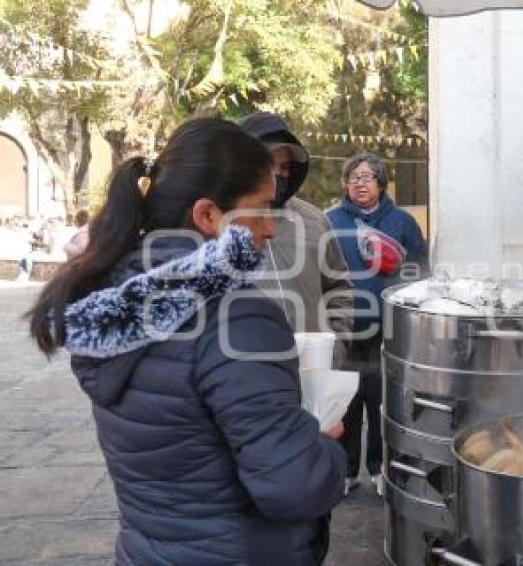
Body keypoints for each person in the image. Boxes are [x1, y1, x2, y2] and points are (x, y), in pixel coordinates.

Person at [28, 118, 346, 565]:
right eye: (262, 209)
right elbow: (292, 486)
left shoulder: (114, 296)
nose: (271, 229)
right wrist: (324, 450)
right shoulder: (237, 316)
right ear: (208, 216)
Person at [326, 152, 427, 495]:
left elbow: (420, 269)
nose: (359, 183)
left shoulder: (401, 222)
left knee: (384, 399)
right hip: (344, 325)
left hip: (389, 327)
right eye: (353, 177)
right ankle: (345, 471)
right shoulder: (331, 221)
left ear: (381, 183)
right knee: (345, 399)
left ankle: (381, 467)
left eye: (367, 176)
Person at [239, 112, 354, 365]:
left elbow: (339, 289)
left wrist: (336, 346)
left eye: (285, 167)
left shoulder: (315, 222)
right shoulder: (221, 224)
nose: (278, 176)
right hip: (247, 379)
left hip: (314, 370)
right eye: (269, 165)